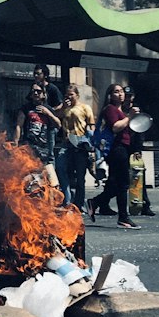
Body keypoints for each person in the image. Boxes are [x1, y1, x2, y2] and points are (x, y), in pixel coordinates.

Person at [96, 82, 140, 230]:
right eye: (116, 91)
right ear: (110, 95)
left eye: (121, 91)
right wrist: (129, 117)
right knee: (123, 183)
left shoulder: (122, 110)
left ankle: (95, 203)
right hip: (116, 148)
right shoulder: (110, 109)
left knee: (117, 183)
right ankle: (123, 217)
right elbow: (115, 127)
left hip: (124, 148)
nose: (120, 94)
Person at [53, 83, 96, 213]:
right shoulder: (65, 107)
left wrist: (91, 144)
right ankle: (67, 199)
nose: (69, 97)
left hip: (80, 142)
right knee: (60, 167)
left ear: (77, 95)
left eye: (71, 95)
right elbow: (56, 114)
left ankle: (79, 203)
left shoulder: (84, 107)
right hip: (67, 143)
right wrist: (63, 106)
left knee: (80, 175)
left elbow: (91, 125)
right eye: (67, 95)